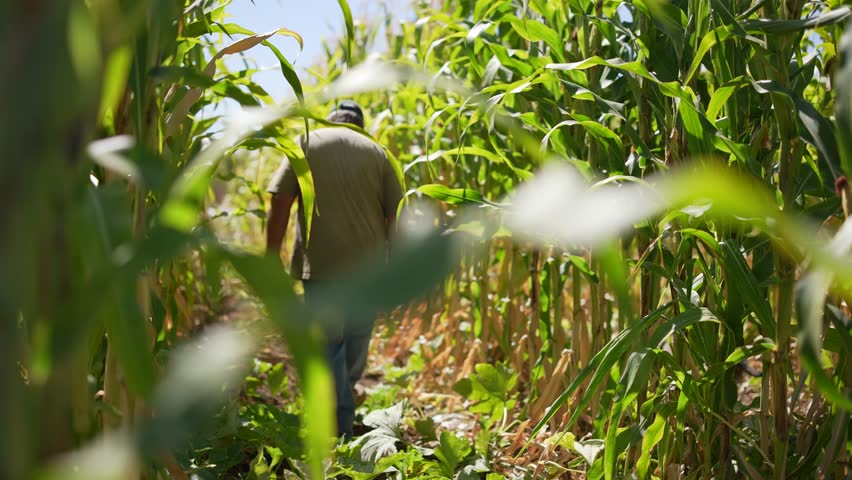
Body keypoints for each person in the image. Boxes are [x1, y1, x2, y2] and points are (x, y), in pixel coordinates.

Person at [265, 100, 403, 438]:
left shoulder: (307, 143)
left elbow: (281, 199)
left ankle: (334, 410)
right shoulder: (379, 152)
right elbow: (393, 216)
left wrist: (271, 255)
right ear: (359, 123)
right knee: (355, 344)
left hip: (320, 267)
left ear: (330, 120)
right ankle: (340, 420)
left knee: (330, 344)